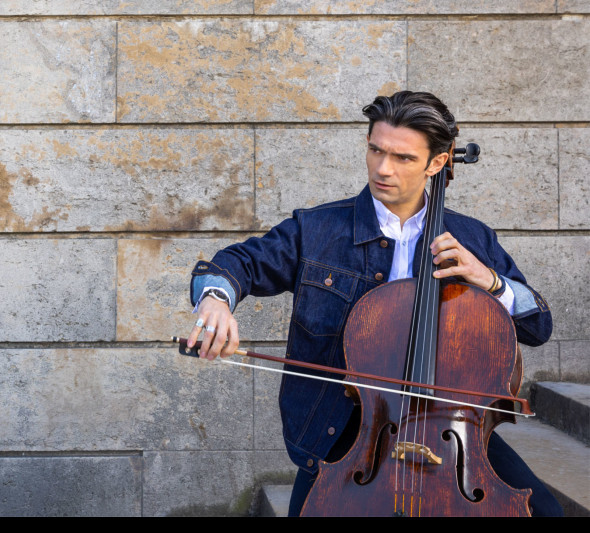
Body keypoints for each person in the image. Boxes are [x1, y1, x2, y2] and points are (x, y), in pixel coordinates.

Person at [186, 91, 561, 516]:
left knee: (545, 511)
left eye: (402, 158)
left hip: (451, 431)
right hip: (347, 428)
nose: (382, 169)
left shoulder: (472, 239)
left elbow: (538, 325)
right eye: (375, 150)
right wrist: (216, 301)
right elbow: (239, 263)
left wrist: (490, 281)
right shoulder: (317, 229)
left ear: (436, 163)